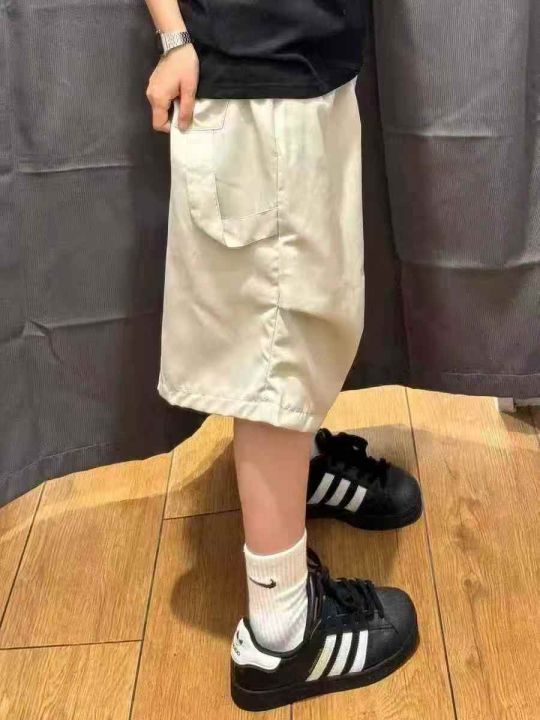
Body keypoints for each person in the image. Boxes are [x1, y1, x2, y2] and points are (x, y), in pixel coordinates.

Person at [143, 0, 422, 710]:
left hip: (301, 70)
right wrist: (174, 37)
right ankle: (282, 635)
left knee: (302, 329)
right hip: (258, 88)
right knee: (275, 358)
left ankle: (296, 479)